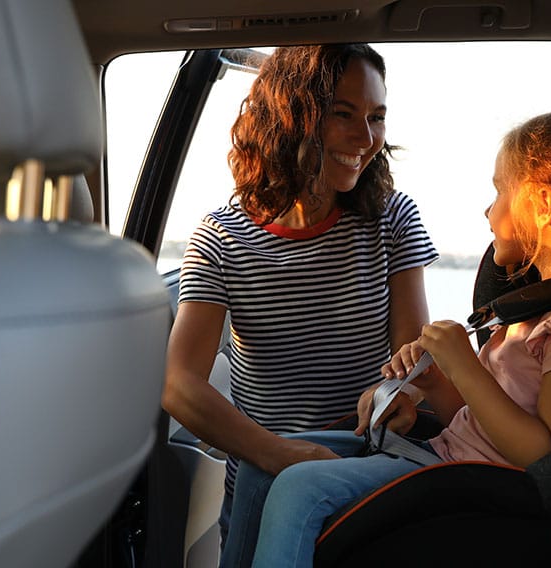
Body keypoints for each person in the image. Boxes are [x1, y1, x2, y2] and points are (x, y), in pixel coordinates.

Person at [228, 111, 551, 567]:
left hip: (462, 484)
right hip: (442, 455)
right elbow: (475, 423)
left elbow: (543, 453)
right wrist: (433, 385)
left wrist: (464, 365)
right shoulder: (525, 313)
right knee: (262, 464)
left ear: (544, 204)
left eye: (501, 190)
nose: (489, 209)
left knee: (297, 486)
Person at [161, 43, 439, 562]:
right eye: (343, 114)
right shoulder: (222, 239)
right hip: (261, 481)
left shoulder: (393, 218)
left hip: (359, 470)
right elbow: (179, 384)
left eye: (377, 117)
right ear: (292, 116)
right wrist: (278, 453)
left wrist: (397, 394)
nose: (366, 138)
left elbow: (413, 361)